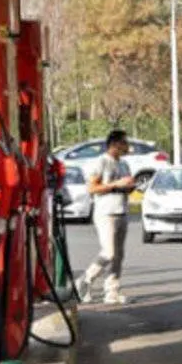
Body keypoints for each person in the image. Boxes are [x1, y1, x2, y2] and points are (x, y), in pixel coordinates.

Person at [79, 129, 137, 304]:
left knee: (119, 255)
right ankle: (86, 279)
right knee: (109, 252)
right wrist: (116, 184)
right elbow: (92, 188)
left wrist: (130, 186)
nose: (127, 146)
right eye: (124, 142)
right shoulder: (101, 162)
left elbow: (125, 185)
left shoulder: (124, 164)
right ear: (115, 144)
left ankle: (112, 291)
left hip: (122, 211)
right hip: (106, 213)